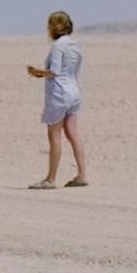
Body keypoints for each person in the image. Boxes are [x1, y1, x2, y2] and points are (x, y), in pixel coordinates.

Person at [27, 10, 88, 188]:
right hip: (73, 90)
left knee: (54, 135)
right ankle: (82, 174)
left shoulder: (57, 46)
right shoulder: (75, 45)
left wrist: (37, 72)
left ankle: (51, 179)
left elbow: (54, 71)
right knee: (73, 133)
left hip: (59, 93)